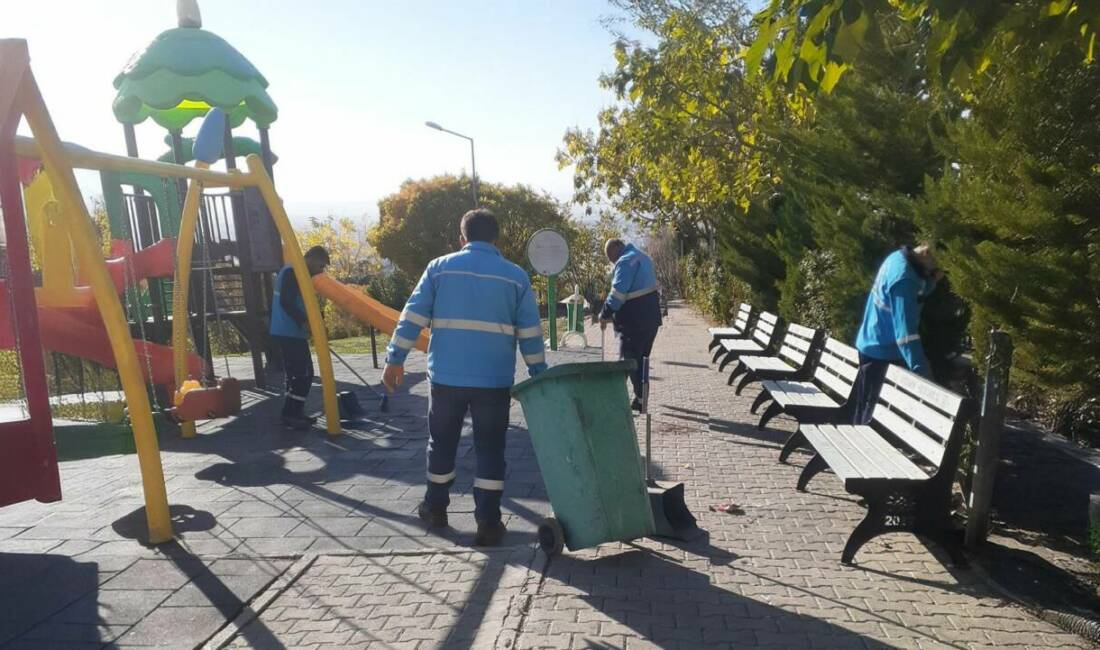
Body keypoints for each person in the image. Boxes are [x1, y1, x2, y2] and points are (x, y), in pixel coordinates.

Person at [382, 209, 546, 546]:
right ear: (495, 239)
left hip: (445, 379)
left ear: (462, 237)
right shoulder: (515, 277)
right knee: (490, 449)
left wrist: (394, 360)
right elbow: (530, 331)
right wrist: (538, 373)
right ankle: (488, 522)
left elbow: (412, 317)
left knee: (441, 443)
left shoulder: (439, 269)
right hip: (494, 381)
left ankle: (436, 508)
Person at [851, 243, 943, 424]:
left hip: (871, 345)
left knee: (864, 410)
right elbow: (906, 335)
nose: (936, 269)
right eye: (936, 264)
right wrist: (922, 373)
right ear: (926, 253)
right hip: (882, 354)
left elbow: (914, 296)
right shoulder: (904, 279)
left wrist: (931, 283)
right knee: (870, 420)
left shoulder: (897, 258)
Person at [269, 246, 330, 429]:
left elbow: (298, 301)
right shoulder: (292, 272)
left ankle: (294, 412)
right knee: (302, 373)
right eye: (320, 266)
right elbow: (286, 301)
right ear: (311, 258)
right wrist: (305, 321)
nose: (320, 271)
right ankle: (290, 413)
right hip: (288, 331)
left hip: (291, 331)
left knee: (298, 373)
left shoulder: (297, 273)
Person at [598, 238, 662, 411]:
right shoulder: (642, 256)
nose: (612, 261)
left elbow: (618, 295)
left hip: (634, 320)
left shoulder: (626, 261)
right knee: (642, 359)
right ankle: (641, 398)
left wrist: (605, 313)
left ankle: (639, 397)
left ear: (617, 248)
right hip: (651, 317)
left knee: (631, 359)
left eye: (611, 257)